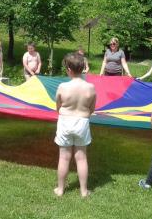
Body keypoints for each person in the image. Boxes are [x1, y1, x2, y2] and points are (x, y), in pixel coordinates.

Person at [53, 53, 96, 198]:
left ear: (69, 69)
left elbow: (57, 106)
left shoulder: (63, 86)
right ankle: (84, 191)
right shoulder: (90, 87)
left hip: (65, 120)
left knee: (64, 157)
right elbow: (92, 109)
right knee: (81, 157)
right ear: (83, 68)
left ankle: (60, 189)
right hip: (82, 121)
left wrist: (63, 112)